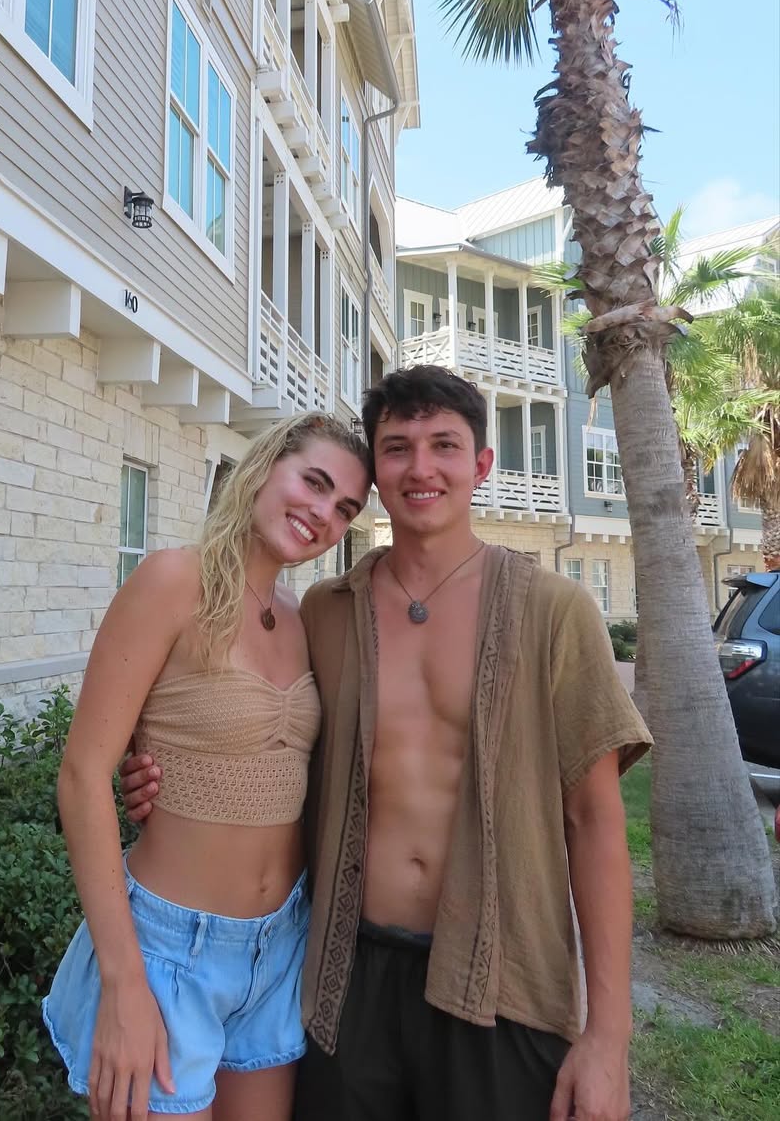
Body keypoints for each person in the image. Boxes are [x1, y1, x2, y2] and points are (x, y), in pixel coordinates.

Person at [121, 366, 652, 1121]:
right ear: (376, 474)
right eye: (398, 447)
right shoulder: (326, 612)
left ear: (481, 465)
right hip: (348, 977)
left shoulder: (554, 612)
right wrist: (153, 770)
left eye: (444, 445)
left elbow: (596, 821)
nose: (421, 467)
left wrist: (609, 1036)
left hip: (501, 981)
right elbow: (253, 730)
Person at [42, 412, 373, 1121]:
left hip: (278, 946)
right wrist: (124, 982)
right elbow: (81, 776)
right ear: (265, 467)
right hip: (168, 953)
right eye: (314, 483)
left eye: (346, 507)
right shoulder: (172, 581)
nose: (325, 514)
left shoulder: (301, 616)